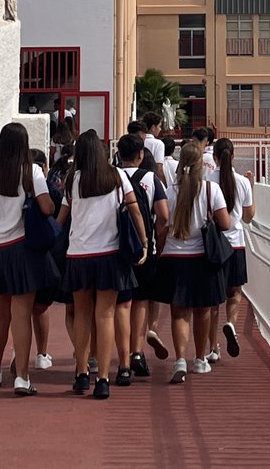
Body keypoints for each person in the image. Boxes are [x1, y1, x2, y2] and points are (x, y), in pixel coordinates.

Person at [0, 122, 59, 396]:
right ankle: (22, 377)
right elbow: (46, 206)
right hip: (21, 249)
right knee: (21, 315)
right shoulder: (30, 171)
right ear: (23, 144)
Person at [57, 129, 147, 399]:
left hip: (79, 254)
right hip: (110, 254)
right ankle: (104, 379)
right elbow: (134, 209)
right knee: (106, 315)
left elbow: (62, 217)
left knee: (82, 314)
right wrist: (144, 242)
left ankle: (82, 372)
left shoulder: (73, 178)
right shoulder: (116, 175)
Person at [154, 140, 230, 384]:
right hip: (202, 258)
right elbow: (226, 223)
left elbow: (162, 222)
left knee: (179, 312)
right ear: (202, 164)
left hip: (174, 256)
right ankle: (199, 359)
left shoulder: (170, 191)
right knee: (203, 310)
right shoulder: (211, 190)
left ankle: (179, 359)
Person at [114, 134, 170, 379]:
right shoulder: (151, 178)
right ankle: (137, 351)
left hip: (115, 247)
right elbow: (164, 215)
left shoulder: (111, 176)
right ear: (140, 155)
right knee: (141, 300)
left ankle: (122, 357)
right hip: (143, 247)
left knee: (118, 303)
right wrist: (157, 239)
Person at [207, 138, 254, 361]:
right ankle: (231, 324)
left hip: (214, 245)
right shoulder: (242, 183)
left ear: (214, 157)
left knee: (213, 299)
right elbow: (248, 217)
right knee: (234, 292)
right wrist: (251, 188)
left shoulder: (208, 181)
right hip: (235, 243)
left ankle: (213, 347)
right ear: (232, 156)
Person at [142, 111, 168, 186]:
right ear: (153, 127)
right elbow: (159, 168)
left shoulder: (138, 140)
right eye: (159, 126)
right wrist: (164, 186)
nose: (160, 129)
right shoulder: (158, 144)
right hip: (151, 181)